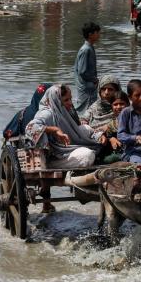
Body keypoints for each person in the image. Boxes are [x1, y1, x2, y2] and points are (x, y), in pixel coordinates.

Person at [25, 84, 101, 212]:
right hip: (53, 157)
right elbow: (30, 128)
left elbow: (77, 129)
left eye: (70, 99)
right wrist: (54, 130)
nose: (70, 103)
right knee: (87, 155)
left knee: (86, 129)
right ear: (56, 101)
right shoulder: (47, 113)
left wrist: (99, 135)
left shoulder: (65, 111)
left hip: (66, 149)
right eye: (66, 100)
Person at [73, 22, 100, 114]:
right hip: (85, 87)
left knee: (90, 110)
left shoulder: (89, 48)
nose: (98, 35)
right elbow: (82, 72)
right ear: (90, 34)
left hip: (89, 86)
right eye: (97, 32)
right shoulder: (86, 49)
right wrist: (95, 80)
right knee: (84, 110)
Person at [98, 91, 130, 164]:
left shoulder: (134, 121)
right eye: (115, 104)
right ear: (111, 107)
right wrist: (111, 139)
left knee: (110, 159)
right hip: (118, 152)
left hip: (131, 152)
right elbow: (107, 135)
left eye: (121, 104)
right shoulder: (111, 124)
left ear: (128, 105)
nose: (118, 107)